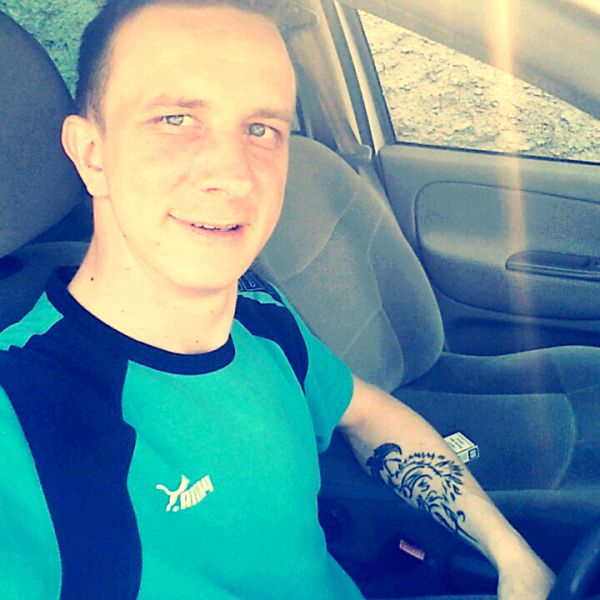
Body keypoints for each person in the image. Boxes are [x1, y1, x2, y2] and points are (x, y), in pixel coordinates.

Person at [0, 0, 555, 598]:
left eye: (261, 129)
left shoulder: (262, 316)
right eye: (175, 119)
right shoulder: (25, 409)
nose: (235, 175)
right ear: (91, 153)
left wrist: (513, 557)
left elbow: (367, 412)